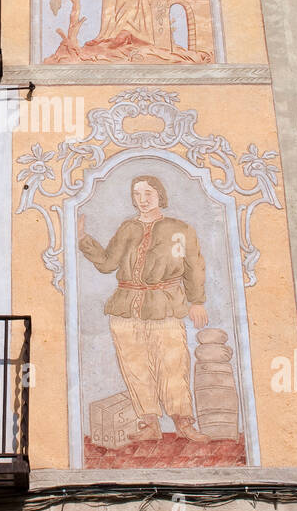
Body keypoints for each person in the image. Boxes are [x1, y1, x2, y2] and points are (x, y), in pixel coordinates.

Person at [78, 175, 211, 443]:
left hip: (166, 306)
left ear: (160, 195)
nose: (143, 199)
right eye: (137, 193)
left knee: (173, 366)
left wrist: (196, 301)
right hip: (126, 308)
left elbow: (193, 266)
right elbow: (106, 263)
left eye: (148, 192)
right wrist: (82, 238)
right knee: (135, 367)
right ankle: (149, 424)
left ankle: (184, 423)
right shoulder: (127, 228)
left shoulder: (179, 229)